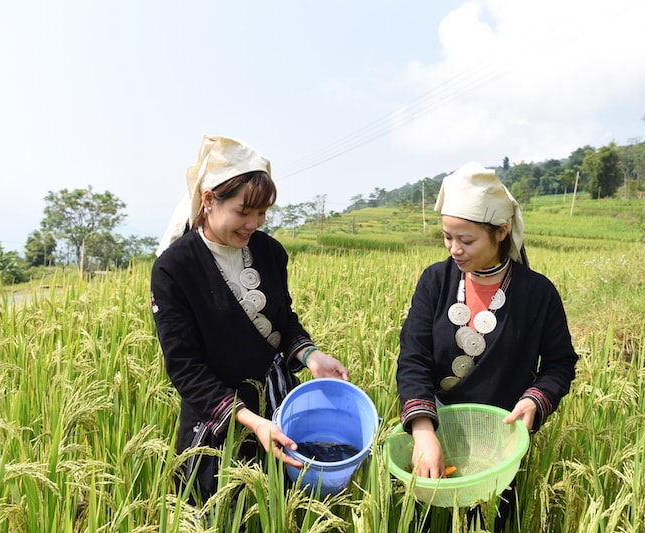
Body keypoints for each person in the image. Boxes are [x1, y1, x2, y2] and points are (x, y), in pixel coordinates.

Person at [150, 134, 350, 503]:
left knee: (284, 502)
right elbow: (184, 366)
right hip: (217, 416)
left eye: (261, 213)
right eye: (244, 212)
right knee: (221, 508)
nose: (253, 223)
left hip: (278, 402)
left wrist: (311, 357)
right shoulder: (175, 268)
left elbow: (282, 319)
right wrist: (251, 421)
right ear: (209, 200)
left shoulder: (269, 251)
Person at [395, 162, 578, 531]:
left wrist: (536, 399)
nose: (454, 249)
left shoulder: (537, 293)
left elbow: (560, 363)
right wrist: (423, 430)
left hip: (499, 446)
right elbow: (413, 358)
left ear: (501, 232)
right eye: (447, 237)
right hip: (436, 433)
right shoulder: (435, 281)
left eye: (466, 240)